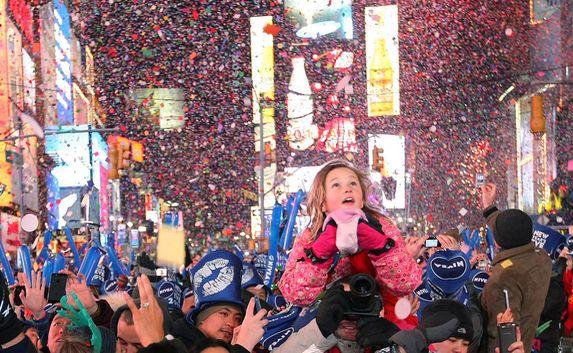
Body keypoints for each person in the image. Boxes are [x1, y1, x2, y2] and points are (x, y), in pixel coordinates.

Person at [279, 159, 422, 307]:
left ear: (361, 200)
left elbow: (406, 284)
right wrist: (317, 257)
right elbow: (294, 295)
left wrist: (382, 249)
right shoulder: (309, 237)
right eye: (336, 185)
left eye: (353, 183)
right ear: (323, 203)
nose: (347, 189)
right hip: (326, 320)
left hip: (376, 319)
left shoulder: (383, 229)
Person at [480, 183, 552, 353]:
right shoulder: (540, 257)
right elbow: (510, 229)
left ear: (497, 242)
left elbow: (503, 335)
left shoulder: (503, 279)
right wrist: (489, 208)